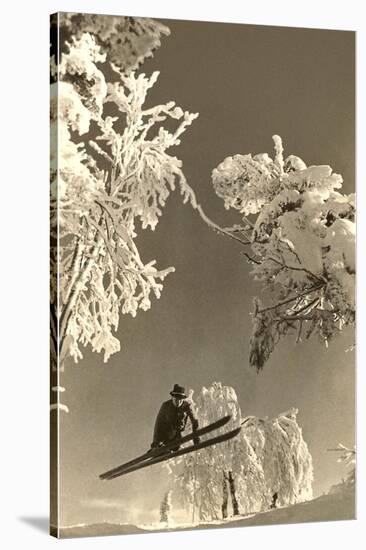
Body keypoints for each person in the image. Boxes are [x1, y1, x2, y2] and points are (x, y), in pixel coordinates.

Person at [151, 384, 200, 451]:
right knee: (168, 430)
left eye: (180, 400)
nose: (178, 402)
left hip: (177, 434)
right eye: (176, 399)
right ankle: (160, 446)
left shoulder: (187, 406)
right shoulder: (165, 406)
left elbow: (195, 422)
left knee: (176, 441)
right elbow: (158, 424)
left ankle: (172, 446)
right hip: (165, 432)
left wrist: (196, 440)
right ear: (172, 398)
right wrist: (155, 443)